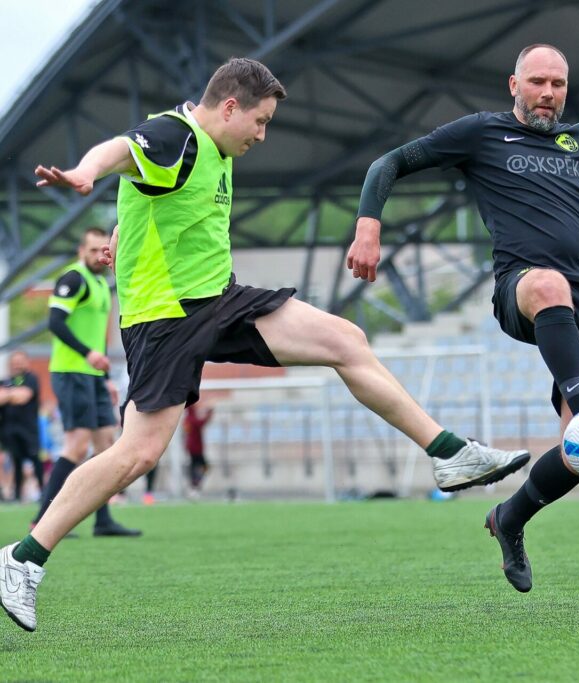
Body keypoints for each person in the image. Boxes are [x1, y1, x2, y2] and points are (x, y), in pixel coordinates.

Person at [1, 57, 530, 633]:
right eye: (260, 120)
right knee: (136, 455)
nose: (262, 134)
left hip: (218, 299)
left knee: (345, 339)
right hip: (167, 321)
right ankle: (21, 559)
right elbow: (122, 151)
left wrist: (128, 229)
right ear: (229, 107)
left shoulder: (217, 153)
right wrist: (84, 172)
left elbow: (153, 205)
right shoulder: (176, 135)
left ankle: (448, 453)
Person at [349, 44, 579, 592]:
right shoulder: (482, 133)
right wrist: (368, 225)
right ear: (514, 85)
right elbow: (389, 163)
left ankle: (510, 518)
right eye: (537, 82)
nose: (547, 93)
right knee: (552, 290)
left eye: (557, 84)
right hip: (521, 286)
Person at [31, 227, 141, 537]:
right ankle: (42, 519)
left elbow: (99, 338)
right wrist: (88, 354)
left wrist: (104, 376)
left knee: (106, 445)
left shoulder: (101, 284)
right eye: (91, 250)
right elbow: (55, 322)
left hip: (93, 376)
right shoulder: (73, 278)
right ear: (81, 250)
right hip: (71, 372)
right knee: (77, 446)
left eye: (101, 250)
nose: (97, 255)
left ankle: (103, 521)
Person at [0, 352, 45, 502]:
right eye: (14, 361)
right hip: (9, 429)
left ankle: (43, 492)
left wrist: (8, 395)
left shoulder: (31, 379)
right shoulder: (5, 380)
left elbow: (24, 396)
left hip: (29, 428)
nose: (17, 364)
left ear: (26, 362)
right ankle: (17, 495)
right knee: (16, 461)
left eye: (20, 361)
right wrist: (13, 394)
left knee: (35, 459)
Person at [183, 401, 213, 497]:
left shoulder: (188, 419)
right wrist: (209, 414)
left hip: (192, 448)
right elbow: (201, 423)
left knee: (196, 466)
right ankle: (195, 484)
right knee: (203, 466)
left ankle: (194, 485)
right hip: (196, 448)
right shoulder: (192, 419)